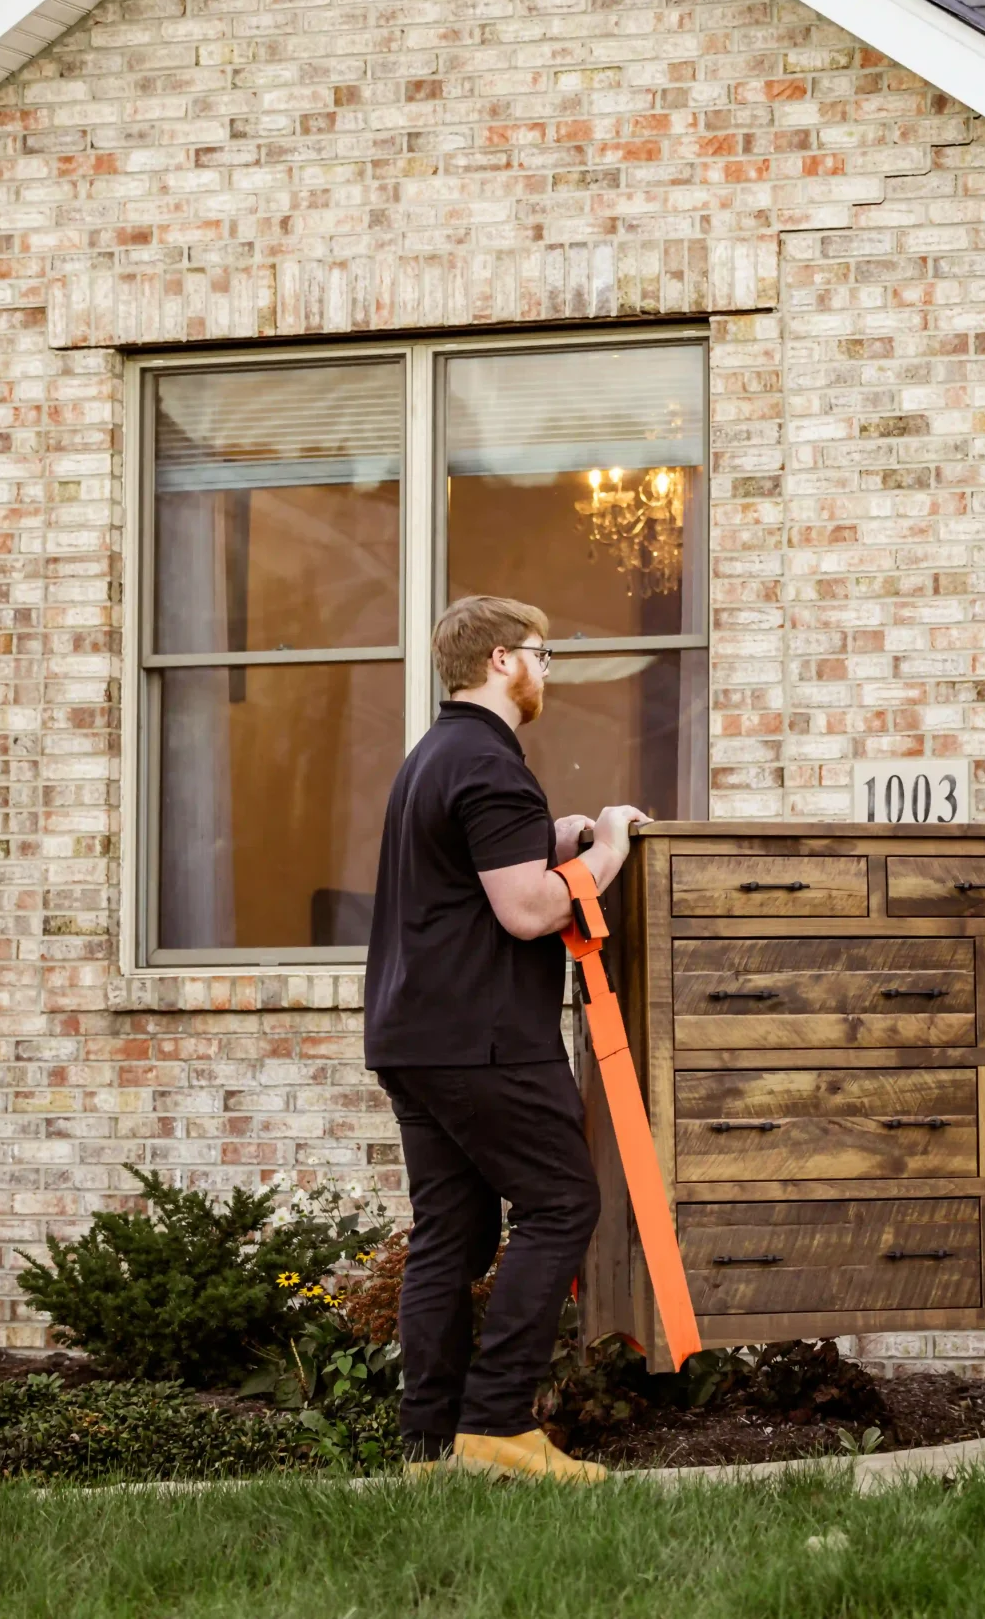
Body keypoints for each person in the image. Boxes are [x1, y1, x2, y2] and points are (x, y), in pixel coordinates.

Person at [363, 594, 650, 1483]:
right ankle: (494, 1424)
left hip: (412, 1034)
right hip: (483, 1039)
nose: (548, 670)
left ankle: (428, 1447)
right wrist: (606, 849)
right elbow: (526, 909)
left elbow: (485, 862)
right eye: (543, 653)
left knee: (451, 1234)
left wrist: (552, 834)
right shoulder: (489, 762)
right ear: (499, 661)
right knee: (563, 1203)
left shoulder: (433, 757)